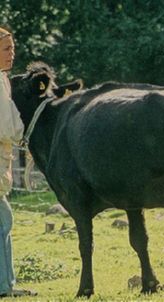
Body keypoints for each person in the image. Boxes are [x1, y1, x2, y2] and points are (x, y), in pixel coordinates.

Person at [0, 26, 36, 298]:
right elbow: (8, 126)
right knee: (3, 222)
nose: (12, 54)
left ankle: (7, 284)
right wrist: (29, 135)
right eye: (5, 49)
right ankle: (5, 286)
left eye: (12, 48)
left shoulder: (3, 79)